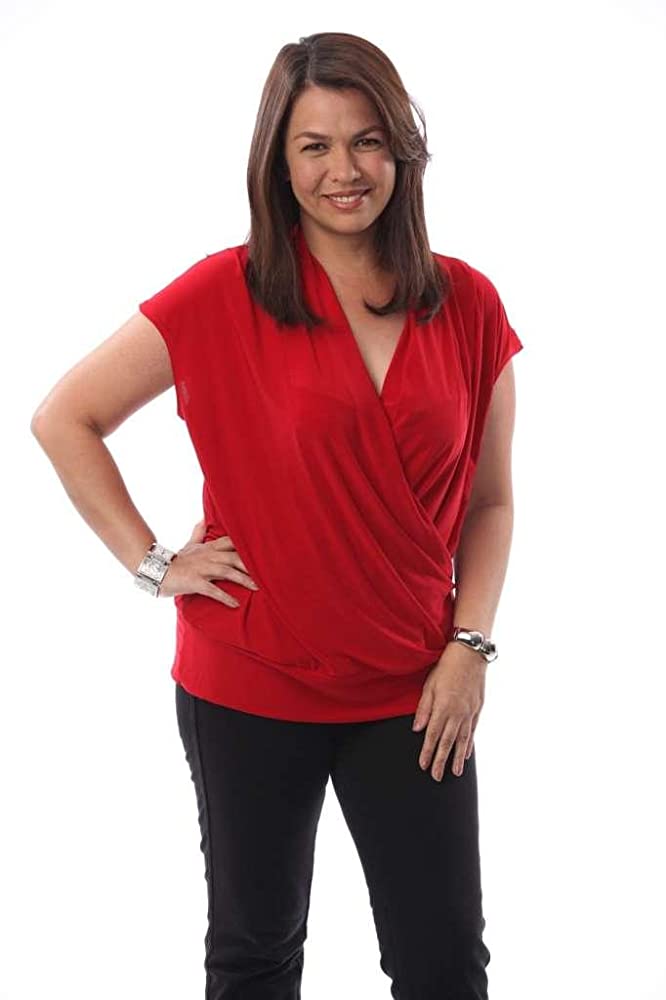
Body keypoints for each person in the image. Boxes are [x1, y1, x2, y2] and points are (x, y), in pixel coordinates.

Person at [30, 30, 524, 1000]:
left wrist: (471, 646)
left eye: (367, 140)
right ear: (278, 160)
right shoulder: (224, 291)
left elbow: (493, 499)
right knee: (255, 956)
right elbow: (65, 418)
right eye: (315, 146)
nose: (345, 170)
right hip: (248, 679)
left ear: (402, 150)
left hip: (416, 687)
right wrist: (153, 562)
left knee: (443, 966)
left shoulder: (467, 302)